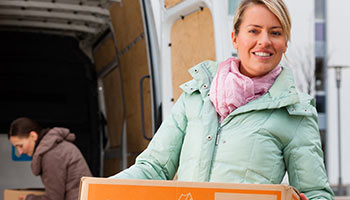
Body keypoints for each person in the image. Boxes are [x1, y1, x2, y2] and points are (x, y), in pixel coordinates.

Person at [110, 0, 334, 199]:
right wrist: (103, 189)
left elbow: (316, 192)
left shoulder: (294, 112)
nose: (264, 41)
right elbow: (154, 168)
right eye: (254, 31)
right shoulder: (195, 96)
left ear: (285, 43)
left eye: (275, 33)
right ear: (235, 38)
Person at [8, 117, 92, 200]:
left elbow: (54, 198)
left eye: (20, 146)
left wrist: (29, 198)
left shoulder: (52, 155)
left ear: (33, 136)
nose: (20, 152)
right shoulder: (55, 148)